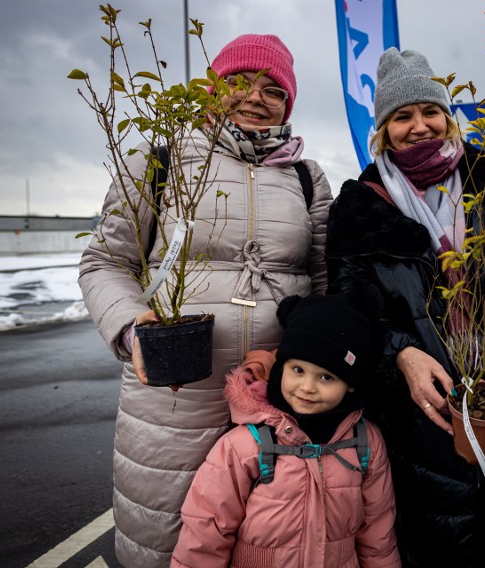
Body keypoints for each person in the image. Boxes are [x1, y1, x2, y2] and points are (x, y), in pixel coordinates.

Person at [78, 34, 333, 568]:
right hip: (173, 402)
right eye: (238, 82)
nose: (255, 97)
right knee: (165, 543)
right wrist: (132, 326)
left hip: (278, 395)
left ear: (289, 103)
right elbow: (104, 262)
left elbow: (325, 283)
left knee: (271, 541)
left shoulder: (307, 179)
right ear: (210, 89)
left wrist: (313, 358)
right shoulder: (160, 157)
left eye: (273, 90)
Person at [325, 48, 485, 568]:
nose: (419, 126)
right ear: (384, 129)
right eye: (402, 116)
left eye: (430, 112)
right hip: (416, 417)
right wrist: (399, 354)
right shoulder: (359, 208)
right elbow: (348, 306)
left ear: (449, 118)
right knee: (434, 547)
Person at [171, 292, 400, 568]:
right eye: (298, 370)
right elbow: (205, 534)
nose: (307, 387)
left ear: (351, 383)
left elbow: (378, 536)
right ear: (282, 368)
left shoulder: (366, 443)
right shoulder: (244, 445)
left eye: (326, 377)